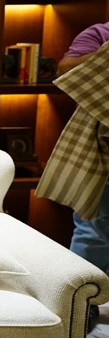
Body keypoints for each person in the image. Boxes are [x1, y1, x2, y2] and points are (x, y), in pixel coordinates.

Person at [43, 22, 109, 331]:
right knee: (93, 232)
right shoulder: (100, 34)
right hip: (102, 151)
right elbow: (65, 71)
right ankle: (82, 312)